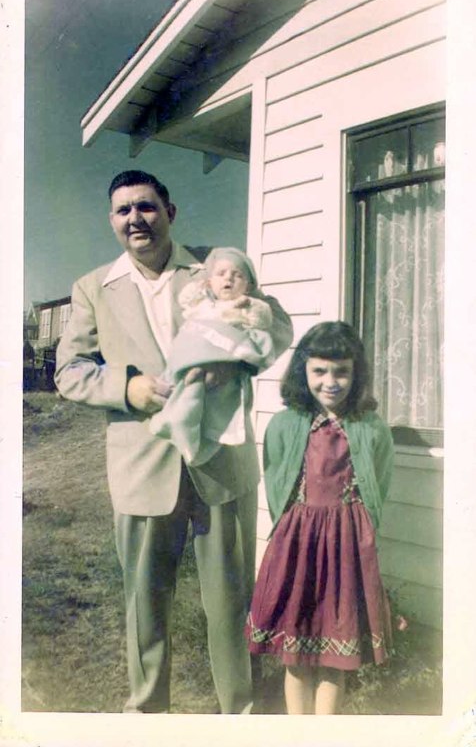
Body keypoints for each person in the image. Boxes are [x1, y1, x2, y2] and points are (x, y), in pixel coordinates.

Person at [54, 169, 293, 715]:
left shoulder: (214, 267)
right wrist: (126, 388)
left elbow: (276, 323)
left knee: (230, 600)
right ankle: (147, 715)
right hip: (142, 464)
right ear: (112, 221)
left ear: (170, 212)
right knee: (145, 602)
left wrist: (238, 360)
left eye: (146, 206)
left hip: (220, 460)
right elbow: (69, 371)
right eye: (123, 210)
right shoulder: (94, 287)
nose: (135, 218)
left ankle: (240, 713)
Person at [245, 321, 394, 715]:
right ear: (303, 371)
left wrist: (359, 529)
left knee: (335, 652)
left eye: (341, 371)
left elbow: (378, 483)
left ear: (356, 373)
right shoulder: (285, 424)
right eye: (320, 371)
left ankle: (323, 732)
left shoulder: (370, 428)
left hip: (346, 546)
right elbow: (276, 477)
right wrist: (291, 528)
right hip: (298, 544)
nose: (331, 382)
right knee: (296, 650)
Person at [150, 246, 275, 466]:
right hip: (190, 353)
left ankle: (193, 440)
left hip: (219, 356)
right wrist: (199, 287)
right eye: (221, 274)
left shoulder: (244, 306)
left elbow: (263, 320)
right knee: (184, 393)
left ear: (249, 286)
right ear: (209, 282)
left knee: (209, 405)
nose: (229, 279)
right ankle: (175, 421)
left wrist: (249, 306)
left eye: (238, 275)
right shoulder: (204, 303)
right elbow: (185, 299)